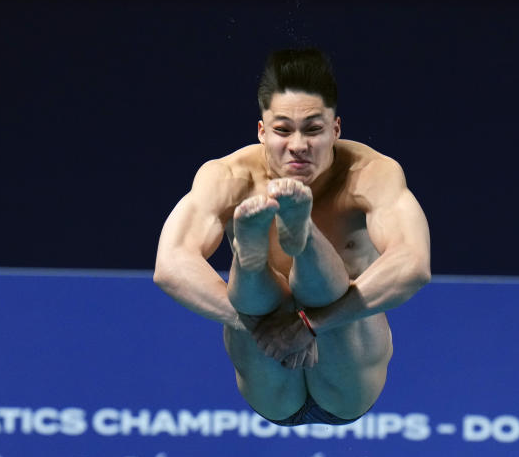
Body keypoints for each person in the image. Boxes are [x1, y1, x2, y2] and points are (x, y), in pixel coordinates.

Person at [154, 49, 431, 426]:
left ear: (335, 129)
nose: (298, 145)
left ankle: (301, 238)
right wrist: (259, 328)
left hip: (346, 363)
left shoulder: (371, 174)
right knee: (259, 297)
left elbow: (413, 264)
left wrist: (310, 326)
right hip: (268, 351)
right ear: (262, 131)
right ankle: (253, 261)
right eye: (283, 130)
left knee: (324, 290)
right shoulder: (228, 176)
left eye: (313, 129)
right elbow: (170, 265)